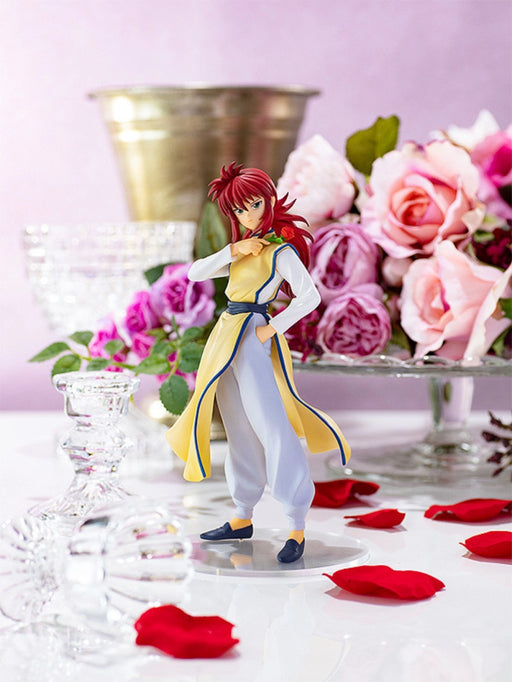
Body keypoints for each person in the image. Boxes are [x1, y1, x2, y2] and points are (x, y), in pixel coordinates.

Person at [166, 162, 350, 563]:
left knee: (271, 424)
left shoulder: (280, 251)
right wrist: (233, 250)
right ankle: (242, 514)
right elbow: (195, 273)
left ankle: (296, 521)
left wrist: (272, 328)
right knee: (238, 426)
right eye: (239, 209)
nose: (248, 214)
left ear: (269, 201)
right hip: (226, 336)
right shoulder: (242, 248)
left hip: (251, 332)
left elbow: (309, 296)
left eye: (254, 204)